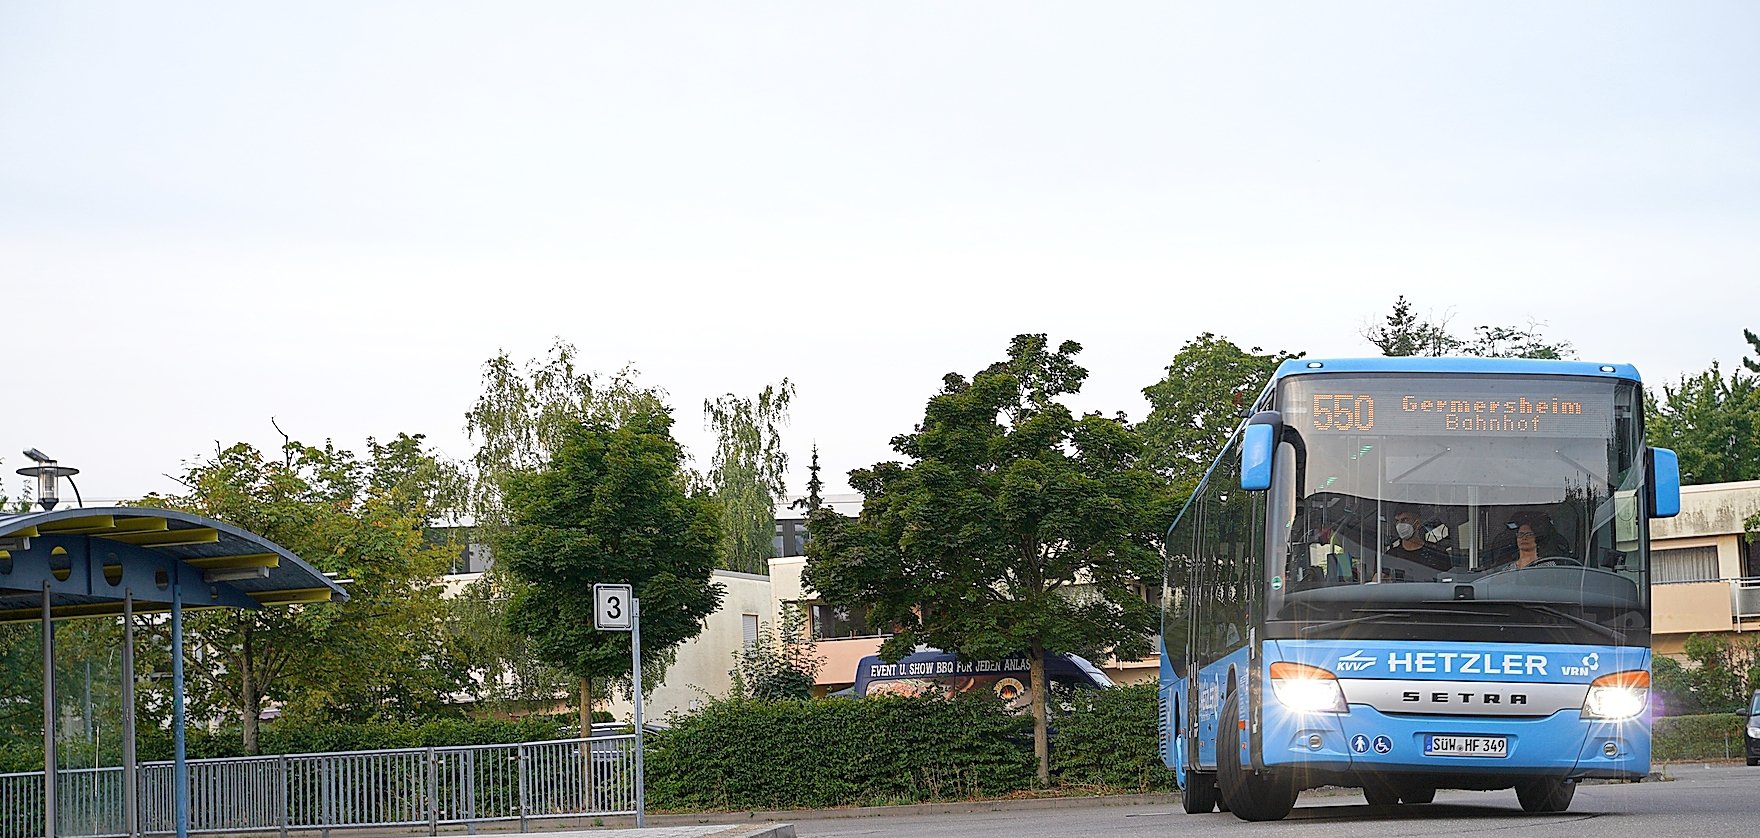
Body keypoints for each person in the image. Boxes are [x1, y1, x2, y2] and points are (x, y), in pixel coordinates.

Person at [1493, 510, 1570, 570]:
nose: (1524, 538)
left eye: (1528, 534)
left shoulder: (1549, 566)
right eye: (1520, 534)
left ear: (1536, 538)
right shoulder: (1508, 569)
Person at [1383, 507, 1452, 572]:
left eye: (1405, 520)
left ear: (1417, 523)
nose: (1400, 525)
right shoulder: (1390, 556)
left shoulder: (1438, 554)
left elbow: (1448, 579)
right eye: (1397, 521)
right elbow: (1380, 579)